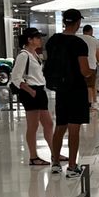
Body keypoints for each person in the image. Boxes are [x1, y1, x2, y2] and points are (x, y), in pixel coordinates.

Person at [45, 8, 93, 178]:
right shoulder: (79, 44)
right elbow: (84, 70)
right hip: (76, 89)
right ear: (78, 23)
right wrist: (91, 72)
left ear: (65, 22)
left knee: (60, 126)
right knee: (74, 128)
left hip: (60, 89)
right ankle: (72, 166)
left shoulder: (53, 41)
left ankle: (55, 162)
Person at [10, 27, 60, 166]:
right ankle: (33, 156)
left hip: (39, 91)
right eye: (37, 37)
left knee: (48, 124)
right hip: (31, 92)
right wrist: (30, 91)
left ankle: (54, 153)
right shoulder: (23, 55)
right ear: (29, 40)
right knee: (33, 126)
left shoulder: (35, 55)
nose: (40, 40)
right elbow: (16, 77)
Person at [81, 24, 99, 108]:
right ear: (91, 31)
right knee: (91, 85)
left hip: (79, 66)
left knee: (82, 85)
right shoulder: (93, 40)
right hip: (91, 66)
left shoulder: (78, 38)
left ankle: (84, 102)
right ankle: (91, 103)